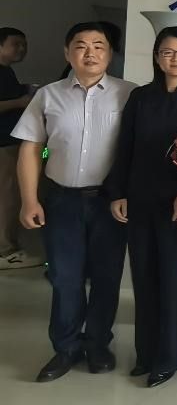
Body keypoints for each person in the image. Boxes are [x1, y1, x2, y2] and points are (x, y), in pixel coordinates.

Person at [14, 23, 134, 381]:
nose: (90, 52)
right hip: (61, 200)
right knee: (65, 278)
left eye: (99, 45)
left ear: (110, 54)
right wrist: (29, 200)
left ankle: (97, 344)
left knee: (106, 277)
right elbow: (32, 149)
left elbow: (139, 151)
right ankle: (65, 348)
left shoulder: (130, 94)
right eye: (81, 46)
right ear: (67, 53)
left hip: (109, 203)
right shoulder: (48, 95)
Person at [106, 26, 177, 388]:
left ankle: (171, 355)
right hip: (140, 195)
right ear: (156, 57)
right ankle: (146, 353)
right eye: (168, 52)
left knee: (175, 275)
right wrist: (118, 191)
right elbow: (125, 146)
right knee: (144, 274)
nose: (176, 59)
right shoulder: (140, 97)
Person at [0, 26, 39, 270]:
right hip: (3, 145)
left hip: (9, 142)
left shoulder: (7, 71)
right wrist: (21, 101)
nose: (22, 49)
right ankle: (5, 251)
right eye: (16, 44)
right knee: (7, 197)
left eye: (24, 45)